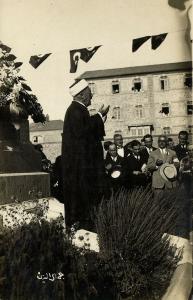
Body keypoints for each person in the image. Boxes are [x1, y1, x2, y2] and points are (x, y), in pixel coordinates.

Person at [61, 79, 109, 229]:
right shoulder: (76, 110)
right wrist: (100, 116)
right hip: (80, 173)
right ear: (81, 95)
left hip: (81, 171)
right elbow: (84, 133)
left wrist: (99, 119)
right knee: (83, 209)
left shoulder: (78, 110)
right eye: (89, 93)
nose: (92, 96)